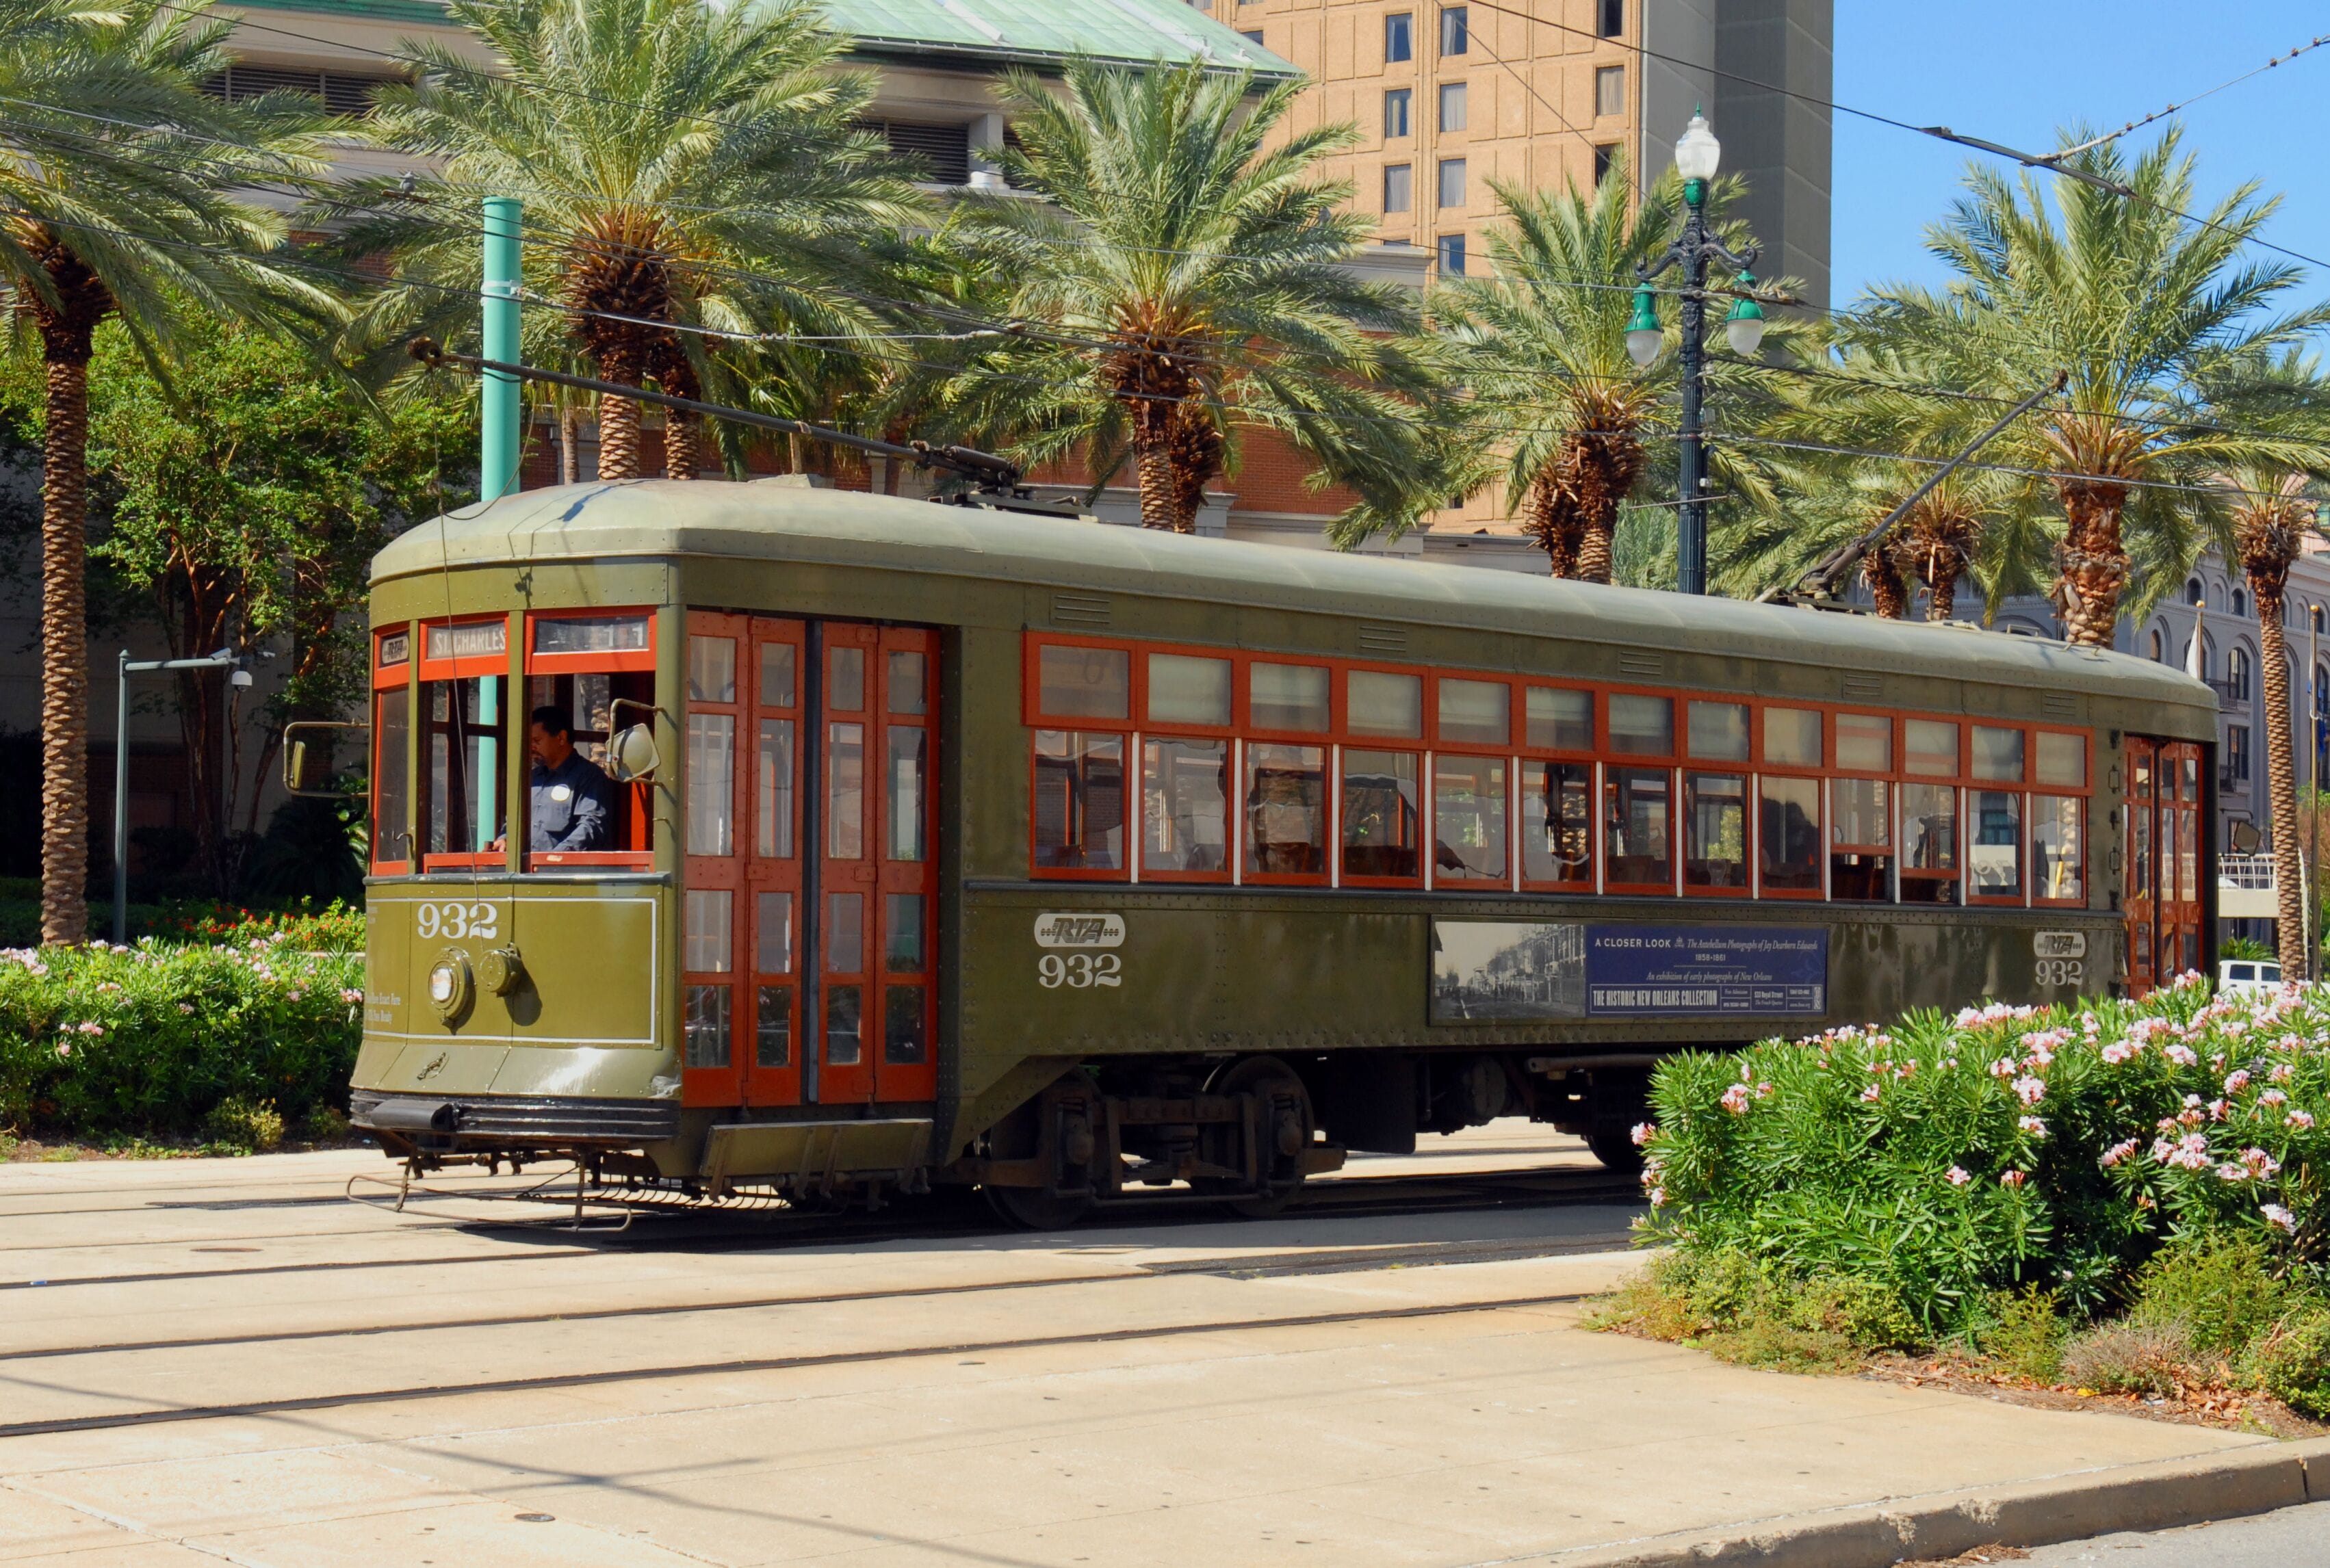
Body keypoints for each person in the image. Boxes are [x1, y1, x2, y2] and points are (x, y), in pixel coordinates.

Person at [527, 705, 617, 852]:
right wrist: (504, 838)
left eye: (537, 740)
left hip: (567, 872)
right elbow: (512, 823)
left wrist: (554, 859)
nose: (531, 747)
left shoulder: (589, 776)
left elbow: (591, 824)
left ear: (561, 738)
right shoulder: (532, 778)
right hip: (525, 872)